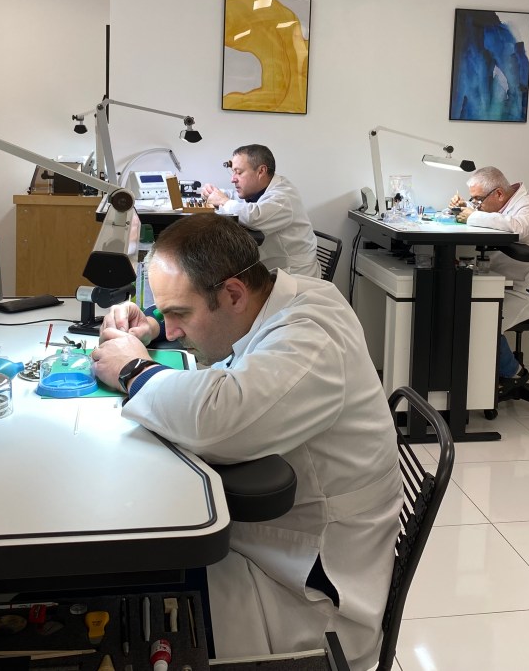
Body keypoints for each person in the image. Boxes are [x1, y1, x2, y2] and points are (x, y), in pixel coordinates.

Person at [90, 214, 401, 671]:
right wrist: (154, 324)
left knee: (131, 579)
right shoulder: (275, 296)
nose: (173, 328)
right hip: (278, 532)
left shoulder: (312, 337)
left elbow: (221, 419)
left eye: (181, 313)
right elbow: (226, 349)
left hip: (308, 572)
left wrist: (133, 369)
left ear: (233, 292)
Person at [450, 166, 529, 381]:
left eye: (477, 200)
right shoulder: (501, 207)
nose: (477, 205)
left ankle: (513, 373)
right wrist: (465, 209)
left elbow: (518, 227)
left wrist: (474, 215)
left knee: (481, 320)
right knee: (462, 310)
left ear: (499, 193)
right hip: (506, 283)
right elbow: (496, 221)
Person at [201, 144, 321, 278]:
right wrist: (215, 193)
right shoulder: (259, 190)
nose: (233, 179)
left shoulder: (283, 196)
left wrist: (223, 201)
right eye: (233, 172)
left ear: (261, 171)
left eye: (239, 172)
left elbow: (254, 216)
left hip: (293, 275)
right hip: (272, 267)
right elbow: (239, 199)